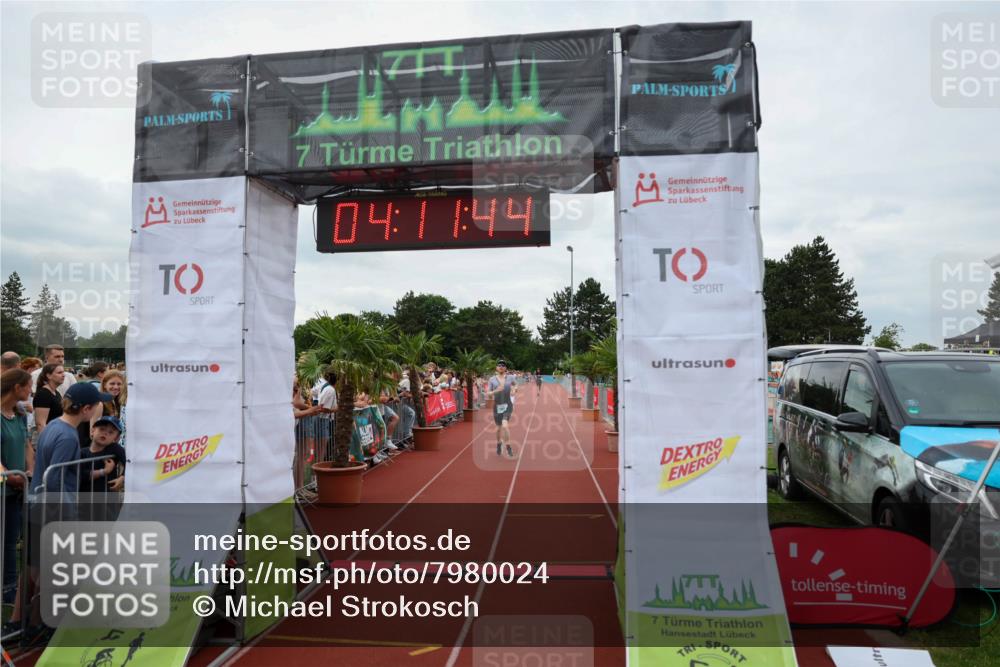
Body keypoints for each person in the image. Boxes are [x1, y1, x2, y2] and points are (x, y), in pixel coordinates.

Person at [31, 382, 111, 504]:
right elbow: (54, 479)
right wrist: (66, 510)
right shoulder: (68, 437)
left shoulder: (53, 424)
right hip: (54, 510)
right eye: (96, 405)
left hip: (41, 503)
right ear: (86, 409)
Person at [1, 369, 32, 604]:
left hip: (15, 490)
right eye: (28, 386)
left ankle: (9, 589)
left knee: (11, 541)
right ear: (16, 387)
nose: (30, 391)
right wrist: (11, 477)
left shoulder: (19, 414)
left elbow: (26, 445)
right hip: (6, 487)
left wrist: (29, 472)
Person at [78, 415, 126, 495]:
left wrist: (122, 478)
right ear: (92, 431)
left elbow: (129, 462)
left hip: (107, 501)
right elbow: (81, 475)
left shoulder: (114, 448)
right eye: (102, 429)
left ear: (116, 438)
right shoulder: (82, 452)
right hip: (84, 499)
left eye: (111, 432)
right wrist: (103, 471)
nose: (105, 433)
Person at [488, 360, 518, 457]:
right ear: (496, 368)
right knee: (498, 428)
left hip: (507, 405)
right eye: (499, 365)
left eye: (503, 365)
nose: (501, 366)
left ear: (505, 368)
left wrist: (514, 389)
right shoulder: (492, 379)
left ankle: (508, 446)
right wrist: (495, 391)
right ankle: (499, 444)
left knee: (505, 426)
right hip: (497, 406)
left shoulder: (510, 377)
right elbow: (488, 394)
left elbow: (515, 385)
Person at [33, 363, 66, 434]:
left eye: (63, 372)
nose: (63, 375)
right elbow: (40, 424)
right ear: (49, 376)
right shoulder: (43, 394)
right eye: (59, 372)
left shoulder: (56, 392)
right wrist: (47, 441)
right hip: (48, 436)